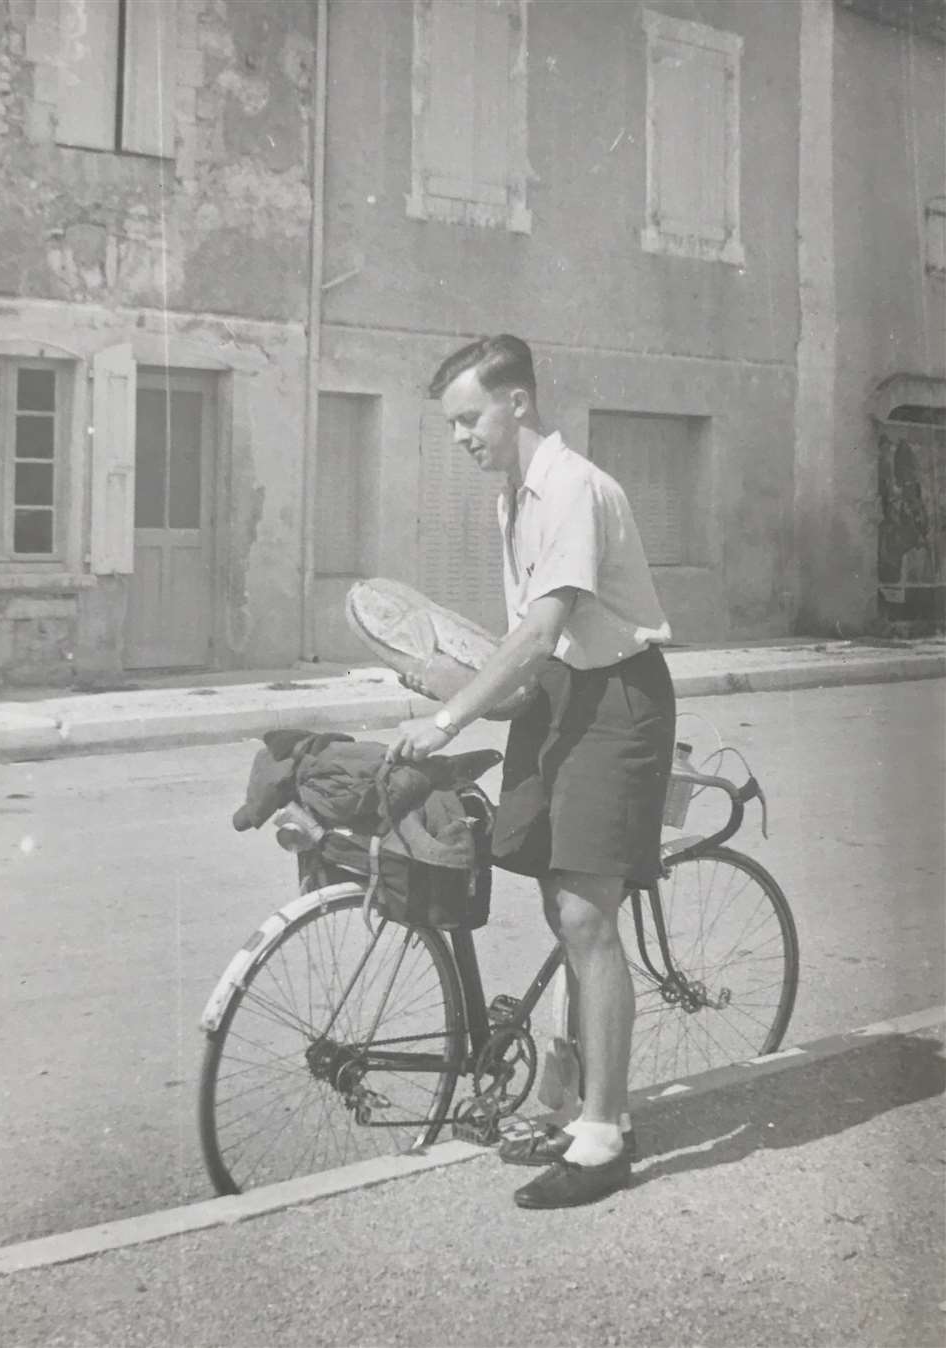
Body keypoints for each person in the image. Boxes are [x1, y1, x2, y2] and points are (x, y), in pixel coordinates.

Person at [385, 334, 675, 1210]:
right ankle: (564, 1086)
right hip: (560, 696)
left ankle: (603, 1138)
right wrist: (450, 686)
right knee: (560, 903)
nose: (462, 436)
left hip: (617, 697)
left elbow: (542, 630)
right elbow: (528, 655)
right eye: (452, 424)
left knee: (587, 913)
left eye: (469, 417)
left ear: (518, 403)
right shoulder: (510, 500)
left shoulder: (573, 488)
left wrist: (444, 719)